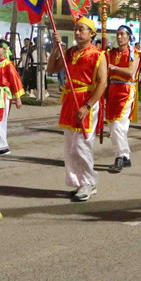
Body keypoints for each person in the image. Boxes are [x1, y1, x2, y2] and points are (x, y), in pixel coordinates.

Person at [46, 17, 107, 201]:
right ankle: (80, 182)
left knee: (81, 146)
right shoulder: (70, 52)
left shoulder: (98, 55)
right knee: (70, 147)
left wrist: (87, 106)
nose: (78, 33)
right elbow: (51, 69)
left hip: (86, 101)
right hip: (69, 100)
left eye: (82, 29)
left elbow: (103, 83)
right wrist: (56, 49)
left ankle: (89, 182)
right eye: (76, 29)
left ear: (92, 33)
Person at [106, 25, 141, 173]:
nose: (119, 37)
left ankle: (119, 156)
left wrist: (113, 67)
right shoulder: (111, 53)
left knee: (117, 124)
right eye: (117, 34)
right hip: (112, 89)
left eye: (122, 34)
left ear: (129, 37)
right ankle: (125, 157)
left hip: (126, 90)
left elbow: (130, 72)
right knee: (116, 125)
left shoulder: (135, 53)